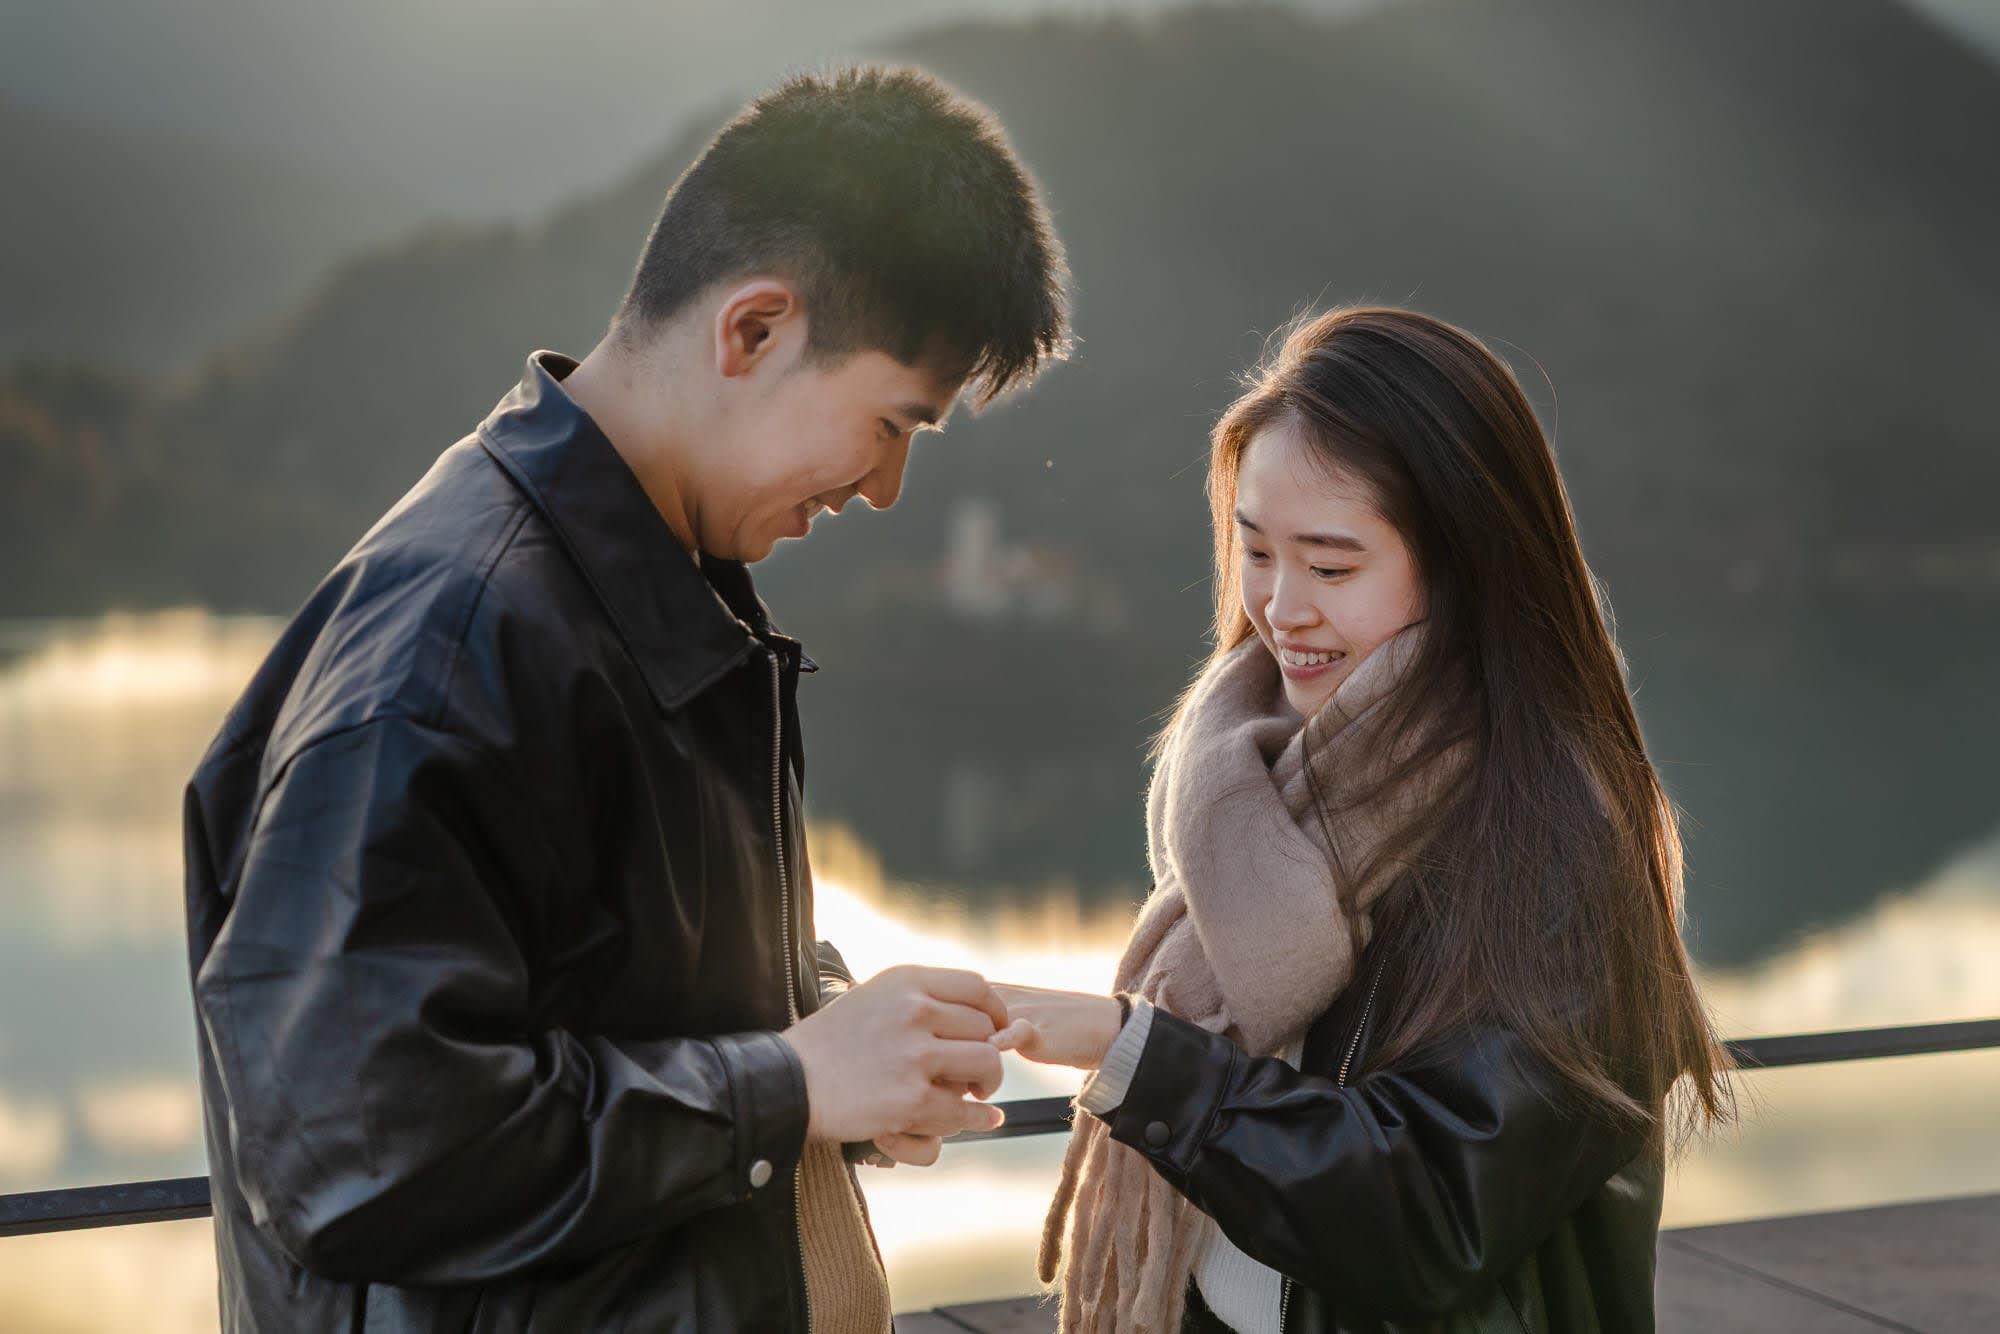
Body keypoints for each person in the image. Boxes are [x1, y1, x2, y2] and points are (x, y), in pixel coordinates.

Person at [182, 67, 1069, 1332]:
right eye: (888, 422)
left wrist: (833, 1026)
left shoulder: (652, 583)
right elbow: (354, 1147)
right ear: (751, 330)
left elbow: (607, 987)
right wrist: (788, 1085)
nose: (883, 488)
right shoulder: (454, 644)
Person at [989, 308, 1732, 1334]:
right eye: (1254, 550)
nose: (1279, 606)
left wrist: (1137, 1056)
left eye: (1331, 568)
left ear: (1464, 567)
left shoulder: (1549, 838)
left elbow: (1431, 1210)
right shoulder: (1249, 772)